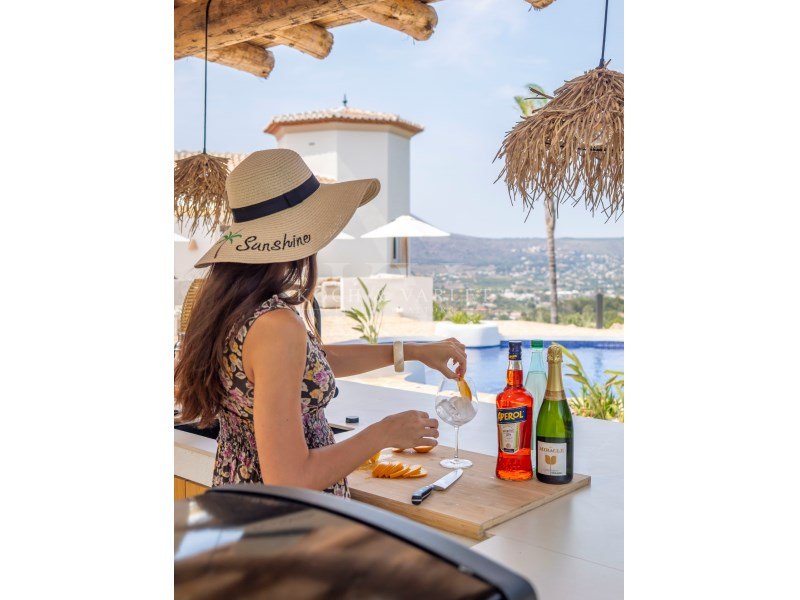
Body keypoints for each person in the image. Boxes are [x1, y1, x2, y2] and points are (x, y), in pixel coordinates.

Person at [175, 149, 467, 497]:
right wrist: (384, 433)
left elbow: (310, 365)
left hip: (242, 504)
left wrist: (413, 351)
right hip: (290, 519)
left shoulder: (231, 307)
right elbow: (289, 478)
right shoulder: (276, 325)